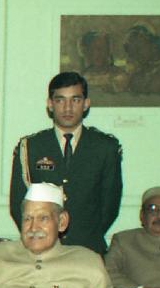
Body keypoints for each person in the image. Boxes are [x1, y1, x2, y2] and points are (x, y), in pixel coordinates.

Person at [9, 71, 123, 254]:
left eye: (75, 100)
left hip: (87, 249)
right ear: (50, 104)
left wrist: (83, 236)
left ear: (86, 104)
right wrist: (40, 237)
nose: (68, 108)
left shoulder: (105, 147)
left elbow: (109, 207)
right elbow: (18, 205)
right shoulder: (31, 147)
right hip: (42, 250)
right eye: (60, 100)